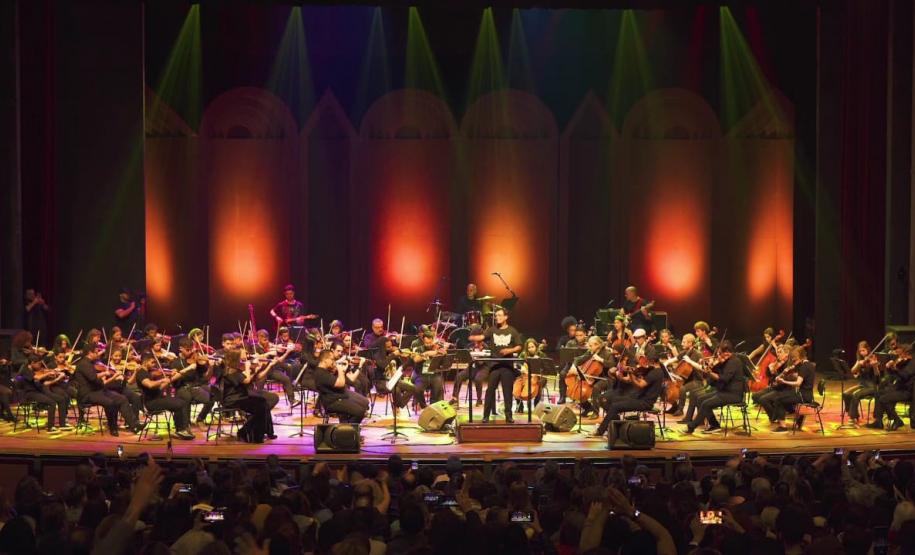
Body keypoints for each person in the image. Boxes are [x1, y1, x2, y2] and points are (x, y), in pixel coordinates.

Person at [591, 351, 665, 437]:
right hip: (638, 398)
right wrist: (634, 375)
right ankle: (616, 427)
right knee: (612, 400)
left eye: (647, 360)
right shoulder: (655, 371)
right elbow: (642, 381)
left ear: (652, 361)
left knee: (615, 406)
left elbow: (640, 385)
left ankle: (600, 431)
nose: (645, 363)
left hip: (644, 402)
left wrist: (631, 374)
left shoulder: (655, 373)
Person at [71, 345, 140, 436]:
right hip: (87, 394)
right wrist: (105, 373)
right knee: (110, 402)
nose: (98, 354)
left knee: (122, 398)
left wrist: (107, 378)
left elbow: (99, 381)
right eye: (96, 352)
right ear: (90, 353)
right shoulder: (84, 364)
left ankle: (135, 425)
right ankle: (113, 428)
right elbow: (93, 378)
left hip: (97, 391)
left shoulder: (91, 363)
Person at [470, 307, 522, 423]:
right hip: (494, 366)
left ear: (506, 317)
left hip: (507, 366)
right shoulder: (492, 330)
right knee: (490, 391)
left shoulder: (512, 331)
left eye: (499, 315)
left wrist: (509, 350)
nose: (497, 317)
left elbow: (519, 346)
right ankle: (486, 416)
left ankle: (509, 416)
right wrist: (474, 337)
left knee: (507, 392)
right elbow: (482, 337)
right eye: (496, 316)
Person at [681, 340, 745, 434]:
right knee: (700, 399)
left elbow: (723, 379)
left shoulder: (734, 362)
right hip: (723, 391)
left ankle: (691, 427)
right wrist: (711, 366)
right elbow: (716, 374)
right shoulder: (725, 361)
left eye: (720, 353)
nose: (719, 356)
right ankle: (714, 425)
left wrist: (710, 372)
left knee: (706, 404)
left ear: (727, 352)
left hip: (733, 394)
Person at [219, 350, 275, 443]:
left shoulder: (234, 370)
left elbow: (244, 379)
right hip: (234, 400)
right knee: (261, 406)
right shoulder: (230, 372)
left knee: (263, 402)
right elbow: (247, 381)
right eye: (240, 359)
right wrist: (248, 367)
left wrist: (254, 371)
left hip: (239, 397)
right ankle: (248, 433)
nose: (243, 360)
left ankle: (265, 432)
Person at [755, 346, 816, 432]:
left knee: (779, 399)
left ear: (801, 357)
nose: (794, 363)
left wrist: (784, 381)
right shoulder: (807, 364)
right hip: (806, 394)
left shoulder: (804, 367)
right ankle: (798, 418)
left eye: (795, 360)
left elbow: (798, 383)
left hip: (803, 396)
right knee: (783, 398)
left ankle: (783, 427)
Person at [134, 355, 195, 440]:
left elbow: (159, 388)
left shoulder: (148, 372)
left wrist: (170, 378)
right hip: (151, 402)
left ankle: (182, 428)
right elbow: (150, 385)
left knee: (182, 401)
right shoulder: (141, 373)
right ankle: (181, 429)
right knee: (179, 404)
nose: (154, 365)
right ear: (145, 362)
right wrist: (162, 380)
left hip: (158, 398)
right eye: (152, 362)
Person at [170, 338, 215, 429]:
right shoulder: (175, 362)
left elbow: (207, 377)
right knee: (186, 397)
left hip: (195, 386)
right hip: (181, 387)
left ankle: (200, 419)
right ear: (180, 349)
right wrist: (188, 368)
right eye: (187, 350)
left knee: (213, 396)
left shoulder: (197, 361)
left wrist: (210, 367)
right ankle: (185, 424)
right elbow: (172, 379)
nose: (190, 352)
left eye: (192, 349)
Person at [867, 344, 914, 431]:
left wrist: (895, 369)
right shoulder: (904, 362)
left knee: (883, 399)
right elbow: (894, 375)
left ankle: (897, 420)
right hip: (898, 388)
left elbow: (905, 376)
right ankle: (878, 421)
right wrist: (889, 368)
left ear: (907, 353)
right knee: (878, 393)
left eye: (901, 354)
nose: (899, 357)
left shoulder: (912, 363)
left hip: (907, 391)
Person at [315, 350, 369, 423]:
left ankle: (346, 424)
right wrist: (340, 370)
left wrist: (342, 369)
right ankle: (348, 429)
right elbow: (341, 383)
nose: (334, 362)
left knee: (364, 403)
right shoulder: (320, 373)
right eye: (332, 359)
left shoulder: (326, 370)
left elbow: (348, 379)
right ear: (325, 360)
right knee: (360, 411)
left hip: (340, 395)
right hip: (333, 401)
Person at [18, 358, 71, 432]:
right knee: (52, 402)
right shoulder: (25, 370)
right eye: (38, 364)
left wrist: (57, 377)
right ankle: (50, 427)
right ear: (32, 363)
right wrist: (47, 373)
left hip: (39, 391)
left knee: (61, 399)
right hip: (30, 393)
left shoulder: (34, 371)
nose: (40, 366)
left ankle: (62, 424)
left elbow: (44, 383)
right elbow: (36, 378)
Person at [664, 333, 705, 417]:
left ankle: (680, 409)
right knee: (666, 385)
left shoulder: (697, 354)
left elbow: (702, 368)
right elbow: (674, 359)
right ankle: (674, 406)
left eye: (684, 342)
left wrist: (690, 361)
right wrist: (665, 363)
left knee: (682, 388)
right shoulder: (684, 352)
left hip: (696, 380)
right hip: (686, 380)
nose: (682, 344)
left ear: (690, 343)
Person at [843, 340, 880, 425]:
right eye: (860, 351)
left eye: (863, 350)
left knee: (855, 395)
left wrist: (874, 366)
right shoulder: (860, 359)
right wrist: (859, 364)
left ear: (868, 349)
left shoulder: (873, 358)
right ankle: (853, 414)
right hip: (862, 384)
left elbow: (877, 375)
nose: (862, 352)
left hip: (872, 386)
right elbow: (852, 371)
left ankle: (853, 417)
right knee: (846, 393)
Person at [449, 325, 487, 407]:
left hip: (483, 368)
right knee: (459, 376)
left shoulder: (485, 346)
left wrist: (479, 351)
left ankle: (479, 400)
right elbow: (465, 358)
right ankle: (455, 398)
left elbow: (481, 362)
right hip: (472, 367)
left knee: (478, 379)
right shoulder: (470, 346)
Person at [409, 331, 446, 408]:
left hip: (434, 374)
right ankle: (424, 406)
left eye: (430, 342)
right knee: (417, 389)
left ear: (433, 340)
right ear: (423, 341)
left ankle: (434, 406)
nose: (428, 345)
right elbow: (416, 359)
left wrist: (443, 353)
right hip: (422, 375)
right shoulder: (418, 349)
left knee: (438, 386)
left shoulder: (438, 348)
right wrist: (428, 353)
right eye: (426, 343)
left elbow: (444, 363)